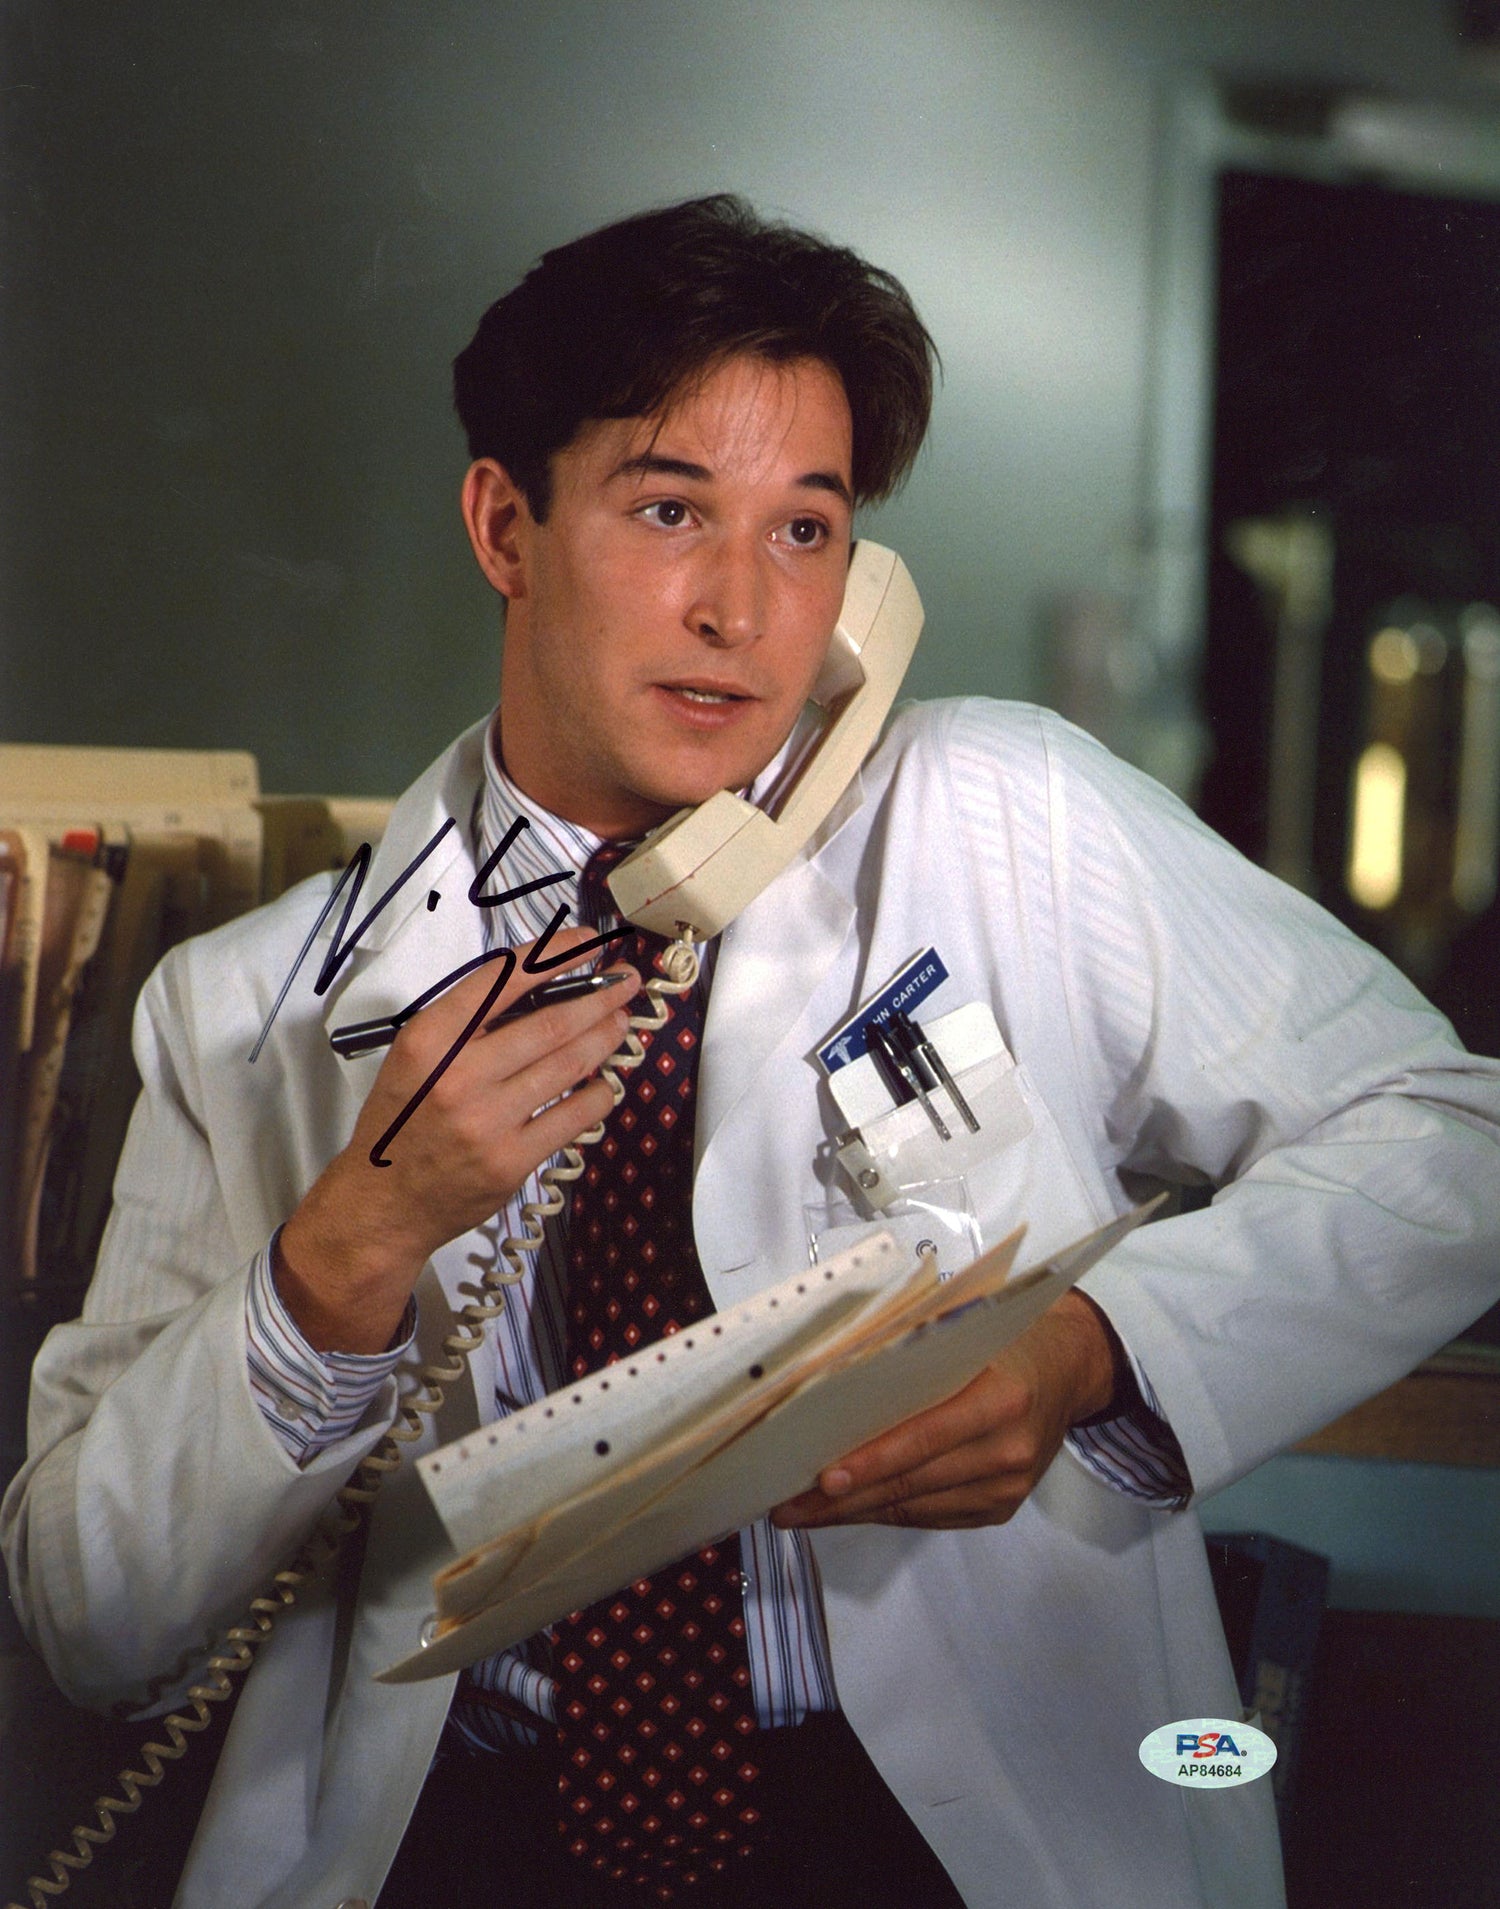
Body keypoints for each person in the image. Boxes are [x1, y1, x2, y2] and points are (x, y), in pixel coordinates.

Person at [5, 195, 1500, 1909]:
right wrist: (352, 1243)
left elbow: (1451, 1132)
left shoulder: (1003, 812)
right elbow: (91, 1618)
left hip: (942, 1831)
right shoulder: (241, 1005)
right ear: (504, 525)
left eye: (806, 529)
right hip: (477, 1836)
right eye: (669, 510)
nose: (742, 609)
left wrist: (1094, 1350)